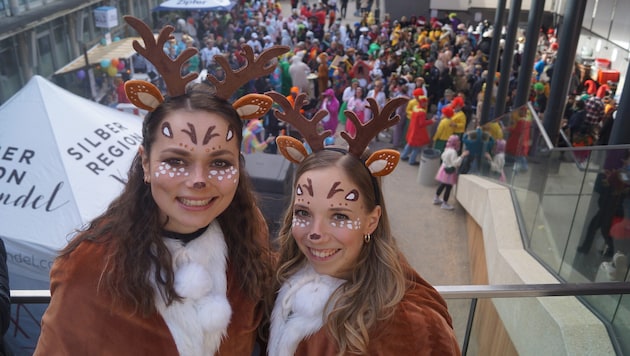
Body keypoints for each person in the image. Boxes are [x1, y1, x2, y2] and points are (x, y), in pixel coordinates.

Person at [34, 16, 282, 355]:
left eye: (220, 163)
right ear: (146, 164)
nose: (198, 180)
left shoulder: (247, 230)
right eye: (176, 161)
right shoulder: (92, 265)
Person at [266, 95, 460, 355]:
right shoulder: (284, 273)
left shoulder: (404, 327)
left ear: (372, 221)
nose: (315, 233)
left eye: (340, 216)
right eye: (303, 212)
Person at [434, 135, 469, 210]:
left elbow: (442, 157)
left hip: (444, 169)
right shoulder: (453, 152)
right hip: (449, 172)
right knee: (448, 187)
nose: (459, 142)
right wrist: (462, 156)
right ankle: (444, 203)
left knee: (442, 185)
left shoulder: (447, 149)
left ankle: (436, 198)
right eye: (458, 141)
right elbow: (455, 163)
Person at [401, 88, 434, 165]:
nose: (426, 104)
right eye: (425, 102)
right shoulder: (421, 112)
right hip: (418, 132)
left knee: (409, 144)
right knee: (416, 147)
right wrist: (431, 121)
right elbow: (422, 123)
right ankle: (412, 161)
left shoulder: (416, 108)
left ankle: (403, 156)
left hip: (413, 129)